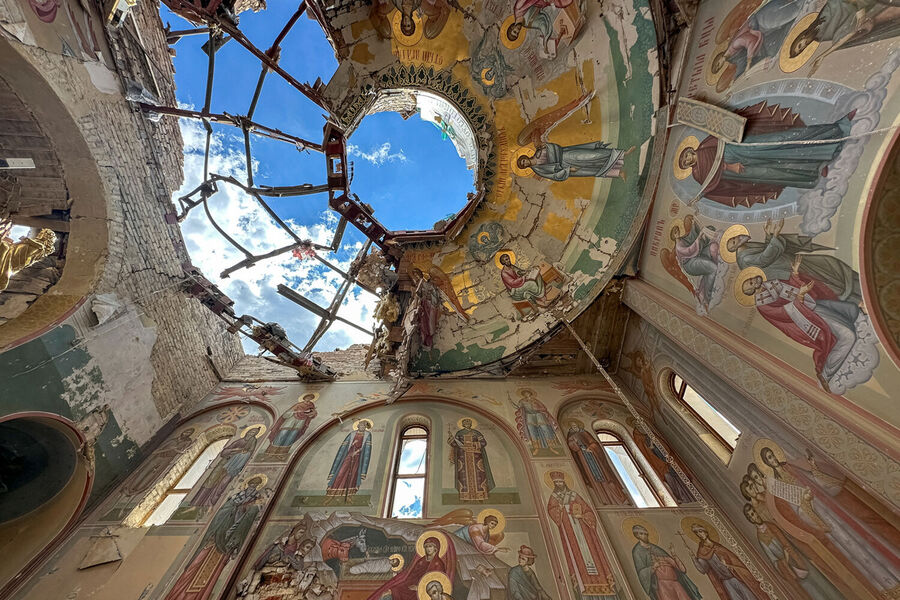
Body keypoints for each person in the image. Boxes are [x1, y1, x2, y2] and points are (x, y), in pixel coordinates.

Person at [759, 446, 900, 598]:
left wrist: (814, 468)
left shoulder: (791, 468)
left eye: (772, 455)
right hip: (819, 516)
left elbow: (813, 481)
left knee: (860, 534)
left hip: (830, 507)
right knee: (849, 544)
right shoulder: (778, 486)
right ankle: (887, 585)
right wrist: (805, 501)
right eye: (769, 458)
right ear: (767, 463)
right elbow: (794, 509)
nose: (773, 459)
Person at [679, 103, 855, 208]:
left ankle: (836, 129)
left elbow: (722, 135)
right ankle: (813, 169)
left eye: (686, 155)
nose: (687, 159)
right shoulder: (697, 174)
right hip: (738, 173)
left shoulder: (704, 145)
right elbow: (711, 183)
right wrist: (726, 170)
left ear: (690, 150)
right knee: (775, 173)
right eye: (685, 162)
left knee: (780, 142)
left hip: (740, 149)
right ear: (687, 166)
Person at [739, 262, 865, 392]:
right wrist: (800, 296)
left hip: (811, 307)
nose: (753, 279)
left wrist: (794, 274)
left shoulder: (770, 284)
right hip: (807, 319)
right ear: (751, 290)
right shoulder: (762, 305)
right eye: (751, 282)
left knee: (848, 310)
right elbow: (783, 313)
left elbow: (790, 288)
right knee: (848, 336)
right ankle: (826, 374)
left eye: (751, 278)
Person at [166, 477, 266, 600]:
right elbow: (224, 510)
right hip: (215, 535)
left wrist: (247, 508)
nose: (251, 488)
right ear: (247, 485)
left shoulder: (256, 498)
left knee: (213, 573)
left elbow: (250, 518)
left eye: (254, 486)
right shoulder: (236, 497)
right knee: (196, 564)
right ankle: (178, 594)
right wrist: (236, 508)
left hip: (226, 543)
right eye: (250, 485)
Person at [724, 219, 861, 304]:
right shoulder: (745, 258)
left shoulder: (746, 250)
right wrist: (775, 237)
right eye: (734, 241)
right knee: (825, 279)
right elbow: (766, 257)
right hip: (791, 269)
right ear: (735, 248)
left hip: (790, 263)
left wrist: (769, 236)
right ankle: (857, 296)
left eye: (734, 237)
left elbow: (765, 256)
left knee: (829, 267)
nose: (738, 237)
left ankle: (858, 285)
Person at [743, 504, 844, 600]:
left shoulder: (771, 525)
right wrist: (785, 559)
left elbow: (789, 539)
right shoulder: (761, 538)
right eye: (752, 515)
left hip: (799, 558)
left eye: (754, 512)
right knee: (812, 591)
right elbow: (774, 561)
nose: (755, 515)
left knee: (821, 581)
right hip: (791, 569)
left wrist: (797, 552)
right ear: (750, 519)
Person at [546, 471, 617, 598]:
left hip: (584, 530)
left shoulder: (574, 495)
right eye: (556, 482)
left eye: (561, 482)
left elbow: (588, 510)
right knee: (576, 555)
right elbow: (551, 510)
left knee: (593, 553)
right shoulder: (554, 497)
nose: (559, 484)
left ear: (564, 482)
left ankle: (605, 585)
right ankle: (583, 587)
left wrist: (582, 516)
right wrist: (560, 510)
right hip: (569, 531)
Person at [682, 523, 764, 599]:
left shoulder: (718, 546)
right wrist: (693, 558)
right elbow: (703, 569)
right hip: (725, 581)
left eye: (700, 531)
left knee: (749, 596)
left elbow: (733, 559)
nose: (699, 534)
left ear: (705, 532)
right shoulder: (702, 550)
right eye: (697, 533)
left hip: (735, 576)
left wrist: (729, 565)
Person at [365, 535, 455, 600]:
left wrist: (419, 587)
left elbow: (437, 583)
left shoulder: (438, 563)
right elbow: (411, 576)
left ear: (436, 548)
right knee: (390, 591)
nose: (428, 549)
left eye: (430, 546)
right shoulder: (421, 561)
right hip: (411, 585)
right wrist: (400, 585)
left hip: (424, 591)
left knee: (396, 593)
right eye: (426, 546)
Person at [191, 427, 261, 507]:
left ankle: (210, 504)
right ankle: (196, 503)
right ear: (248, 431)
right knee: (211, 480)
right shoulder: (239, 441)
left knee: (223, 484)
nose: (252, 433)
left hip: (234, 466)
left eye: (254, 433)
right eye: (252, 431)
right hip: (224, 463)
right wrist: (234, 450)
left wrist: (242, 453)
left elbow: (249, 452)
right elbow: (223, 453)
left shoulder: (253, 441)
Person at [565, 420, 629, 505]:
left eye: (575, 425)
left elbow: (594, 443)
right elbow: (572, 446)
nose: (574, 427)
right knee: (593, 479)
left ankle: (618, 499)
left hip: (594, 457)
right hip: (583, 458)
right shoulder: (570, 436)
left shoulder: (585, 433)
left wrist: (591, 448)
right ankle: (605, 500)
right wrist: (575, 443)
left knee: (605, 476)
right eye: (573, 426)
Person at [630, 524, 701, 600]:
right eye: (642, 534)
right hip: (662, 586)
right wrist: (653, 567)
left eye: (646, 534)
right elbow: (641, 572)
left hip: (675, 583)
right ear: (637, 535)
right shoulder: (637, 551)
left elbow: (680, 568)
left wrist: (673, 555)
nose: (645, 536)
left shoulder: (656, 548)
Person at [124, 427, 196, 495]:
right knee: (145, 471)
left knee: (153, 474)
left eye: (189, 433)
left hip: (168, 459)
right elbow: (158, 450)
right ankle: (131, 487)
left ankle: (138, 489)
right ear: (183, 432)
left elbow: (183, 451)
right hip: (159, 457)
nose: (187, 433)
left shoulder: (188, 441)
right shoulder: (172, 440)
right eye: (187, 431)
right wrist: (168, 449)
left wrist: (175, 450)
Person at [517, 142, 634, 181]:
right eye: (523, 165)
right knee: (591, 170)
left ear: (525, 157)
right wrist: (568, 170)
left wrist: (547, 145)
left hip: (567, 155)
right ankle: (618, 172)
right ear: (524, 167)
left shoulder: (538, 150)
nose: (525, 163)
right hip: (566, 167)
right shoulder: (538, 170)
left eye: (523, 161)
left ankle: (623, 153)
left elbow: (555, 147)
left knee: (593, 156)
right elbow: (554, 175)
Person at [448, 419, 495, 501]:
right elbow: (456, 444)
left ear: (471, 424)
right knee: (463, 476)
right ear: (463, 425)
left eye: (469, 423)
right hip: (463, 457)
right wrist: (451, 439)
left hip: (476, 456)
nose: (467, 424)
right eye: (465, 423)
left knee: (479, 475)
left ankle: (480, 496)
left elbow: (483, 443)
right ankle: (465, 496)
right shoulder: (459, 433)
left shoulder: (476, 433)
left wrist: (473, 444)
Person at [326, 420, 373, 501]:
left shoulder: (368, 435)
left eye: (364, 426)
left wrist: (357, 452)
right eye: (361, 425)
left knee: (353, 475)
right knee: (341, 472)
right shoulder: (352, 434)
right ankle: (332, 493)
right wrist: (353, 444)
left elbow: (366, 449)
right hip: (348, 456)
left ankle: (348, 495)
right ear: (358, 426)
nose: (363, 427)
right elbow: (345, 447)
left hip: (358, 458)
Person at [0, 226, 56, 292]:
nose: (40, 234)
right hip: (13, 252)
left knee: (4, 248)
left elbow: (38, 246)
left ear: (46, 237)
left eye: (42, 233)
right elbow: (17, 244)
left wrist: (25, 239)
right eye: (41, 233)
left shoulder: (41, 247)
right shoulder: (35, 242)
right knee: (4, 246)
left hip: (18, 258)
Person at [264, 394, 318, 459]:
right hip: (291, 421)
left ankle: (281, 454)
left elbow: (313, 415)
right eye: (308, 397)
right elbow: (286, 414)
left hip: (301, 422)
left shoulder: (311, 406)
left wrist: (312, 413)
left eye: (310, 398)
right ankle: (271, 453)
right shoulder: (298, 405)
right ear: (304, 398)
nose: (309, 399)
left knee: (291, 437)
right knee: (282, 434)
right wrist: (296, 411)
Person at [514, 390, 562, 455]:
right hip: (529, 416)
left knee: (545, 429)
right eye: (525, 393)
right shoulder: (522, 401)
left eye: (527, 393)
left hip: (539, 415)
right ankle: (536, 448)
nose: (526, 394)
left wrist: (538, 408)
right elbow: (518, 407)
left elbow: (544, 408)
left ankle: (551, 447)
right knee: (532, 431)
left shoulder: (535, 400)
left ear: (530, 393)